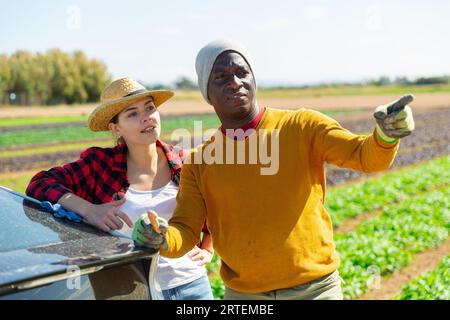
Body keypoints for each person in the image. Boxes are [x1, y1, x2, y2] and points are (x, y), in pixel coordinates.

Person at [134, 40, 415, 300]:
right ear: (207, 90)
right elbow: (185, 231)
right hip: (245, 297)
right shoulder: (200, 161)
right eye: (220, 77)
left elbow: (366, 156)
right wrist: (161, 237)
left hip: (316, 290)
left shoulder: (302, 126)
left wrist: (387, 135)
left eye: (242, 72)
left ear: (254, 78)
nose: (235, 83)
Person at [26, 77, 214, 300]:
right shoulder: (99, 165)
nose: (146, 118)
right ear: (116, 128)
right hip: (130, 291)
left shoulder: (184, 162)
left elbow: (212, 205)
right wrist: (88, 209)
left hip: (192, 286)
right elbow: (39, 184)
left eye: (150, 108)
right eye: (132, 113)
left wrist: (209, 247)